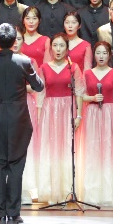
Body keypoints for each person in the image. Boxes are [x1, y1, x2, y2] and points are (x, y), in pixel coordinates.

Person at [0, 23, 44, 224]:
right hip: (17, 119)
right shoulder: (24, 62)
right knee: (16, 164)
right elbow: (39, 86)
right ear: (14, 41)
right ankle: (13, 212)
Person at [77, 41, 113, 207]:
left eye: (104, 53)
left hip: (109, 114)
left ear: (109, 55)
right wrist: (92, 98)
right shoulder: (87, 74)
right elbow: (80, 95)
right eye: (98, 53)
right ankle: (92, 193)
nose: (101, 56)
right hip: (92, 114)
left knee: (108, 152)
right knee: (92, 152)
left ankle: (108, 193)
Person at [34, 33, 77, 205]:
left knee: (66, 149)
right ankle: (51, 192)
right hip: (49, 110)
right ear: (50, 48)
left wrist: (78, 115)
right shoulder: (44, 67)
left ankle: (66, 191)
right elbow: (40, 93)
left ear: (67, 48)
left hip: (67, 109)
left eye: (62, 46)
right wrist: (39, 114)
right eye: (55, 45)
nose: (58, 49)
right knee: (50, 148)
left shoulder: (73, 67)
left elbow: (79, 92)